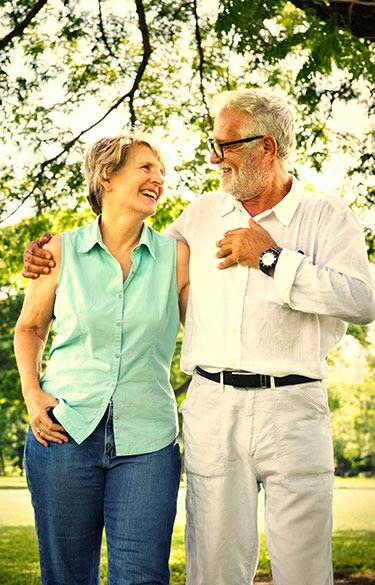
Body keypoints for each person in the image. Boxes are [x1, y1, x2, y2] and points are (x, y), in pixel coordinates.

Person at [22, 90, 375, 585]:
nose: (213, 158)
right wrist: (49, 257)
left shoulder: (326, 216)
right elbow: (130, 252)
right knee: (212, 568)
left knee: (303, 566)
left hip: (293, 407)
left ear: (266, 147)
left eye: (224, 145)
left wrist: (272, 259)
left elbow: (363, 302)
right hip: (212, 406)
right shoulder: (204, 213)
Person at [15, 131, 190, 585]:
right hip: (63, 434)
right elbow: (30, 329)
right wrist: (33, 396)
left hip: (148, 441)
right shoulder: (60, 252)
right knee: (67, 577)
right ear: (107, 178)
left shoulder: (178, 258)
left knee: (142, 577)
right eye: (146, 168)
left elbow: (207, 336)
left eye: (161, 171)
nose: (159, 178)